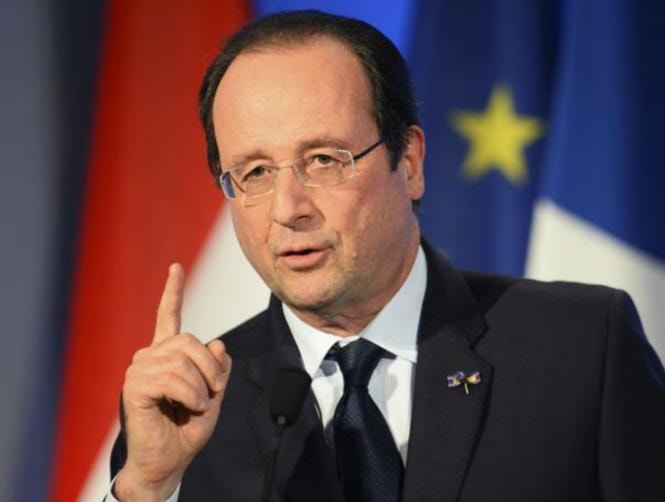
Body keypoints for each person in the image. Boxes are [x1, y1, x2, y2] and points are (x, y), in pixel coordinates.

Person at [108, 10, 665, 502]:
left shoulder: (582, 348)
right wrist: (147, 488)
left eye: (324, 159)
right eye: (254, 172)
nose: (288, 208)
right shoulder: (187, 408)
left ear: (411, 162)